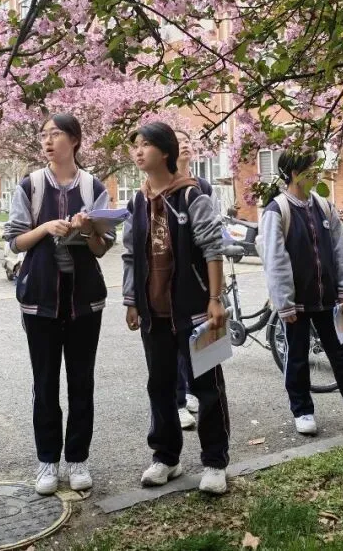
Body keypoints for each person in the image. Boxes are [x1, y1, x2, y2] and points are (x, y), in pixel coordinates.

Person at [2, 113, 116, 496]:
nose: (48, 141)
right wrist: (46, 227)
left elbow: (101, 247)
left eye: (56, 134)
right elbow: (15, 240)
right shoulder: (30, 185)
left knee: (82, 382)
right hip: (40, 300)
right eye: (44, 134)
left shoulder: (92, 186)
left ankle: (78, 459)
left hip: (84, 300)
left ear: (75, 140)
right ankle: (48, 460)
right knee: (45, 383)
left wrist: (88, 230)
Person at [122, 122, 230, 495]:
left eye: (146, 144)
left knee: (208, 387)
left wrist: (214, 299)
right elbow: (131, 255)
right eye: (135, 145)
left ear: (165, 151)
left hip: (197, 312)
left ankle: (215, 462)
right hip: (154, 313)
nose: (138, 151)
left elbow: (213, 249)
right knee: (160, 386)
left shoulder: (191, 196)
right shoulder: (137, 202)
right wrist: (132, 300)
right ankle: (166, 458)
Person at [260, 149, 343, 443]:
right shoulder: (278, 210)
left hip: (329, 301)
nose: (317, 173)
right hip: (296, 303)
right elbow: (275, 260)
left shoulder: (324, 207)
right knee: (297, 356)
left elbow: (339, 253)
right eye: (311, 168)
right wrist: (284, 303)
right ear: (295, 174)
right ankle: (302, 410)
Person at [172, 128, 214, 431]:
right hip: (173, 280)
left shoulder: (203, 186)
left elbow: (211, 232)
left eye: (187, 141)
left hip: (200, 279)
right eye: (179, 142)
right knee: (174, 343)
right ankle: (177, 400)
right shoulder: (162, 187)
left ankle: (191, 391)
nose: (185, 145)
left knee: (198, 340)